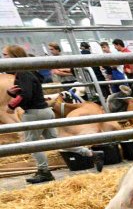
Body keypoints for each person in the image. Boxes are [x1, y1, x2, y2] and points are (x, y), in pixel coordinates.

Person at [2, 45, 103, 184]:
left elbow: (26, 94)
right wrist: (11, 93)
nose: (3, 58)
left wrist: (11, 105)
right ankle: (90, 153)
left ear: (14, 56)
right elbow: (29, 91)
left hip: (34, 113)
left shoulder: (23, 73)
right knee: (56, 141)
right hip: (45, 111)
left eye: (5, 55)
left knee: (31, 144)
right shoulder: (29, 72)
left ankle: (44, 172)